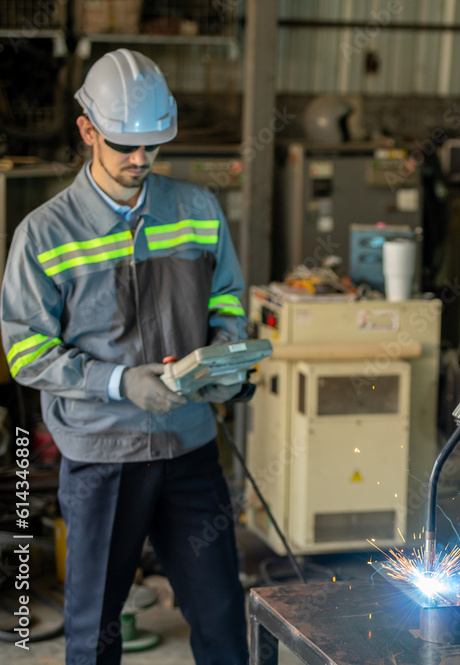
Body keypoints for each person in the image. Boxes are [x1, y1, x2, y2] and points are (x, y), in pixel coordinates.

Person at [1, 49, 249, 664]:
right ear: (87, 130)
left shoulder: (196, 209)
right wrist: (118, 382)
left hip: (189, 449)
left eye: (152, 147)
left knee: (222, 617)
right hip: (102, 458)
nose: (140, 161)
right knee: (93, 633)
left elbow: (229, 302)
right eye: (123, 146)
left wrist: (223, 361)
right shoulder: (44, 234)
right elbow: (25, 352)